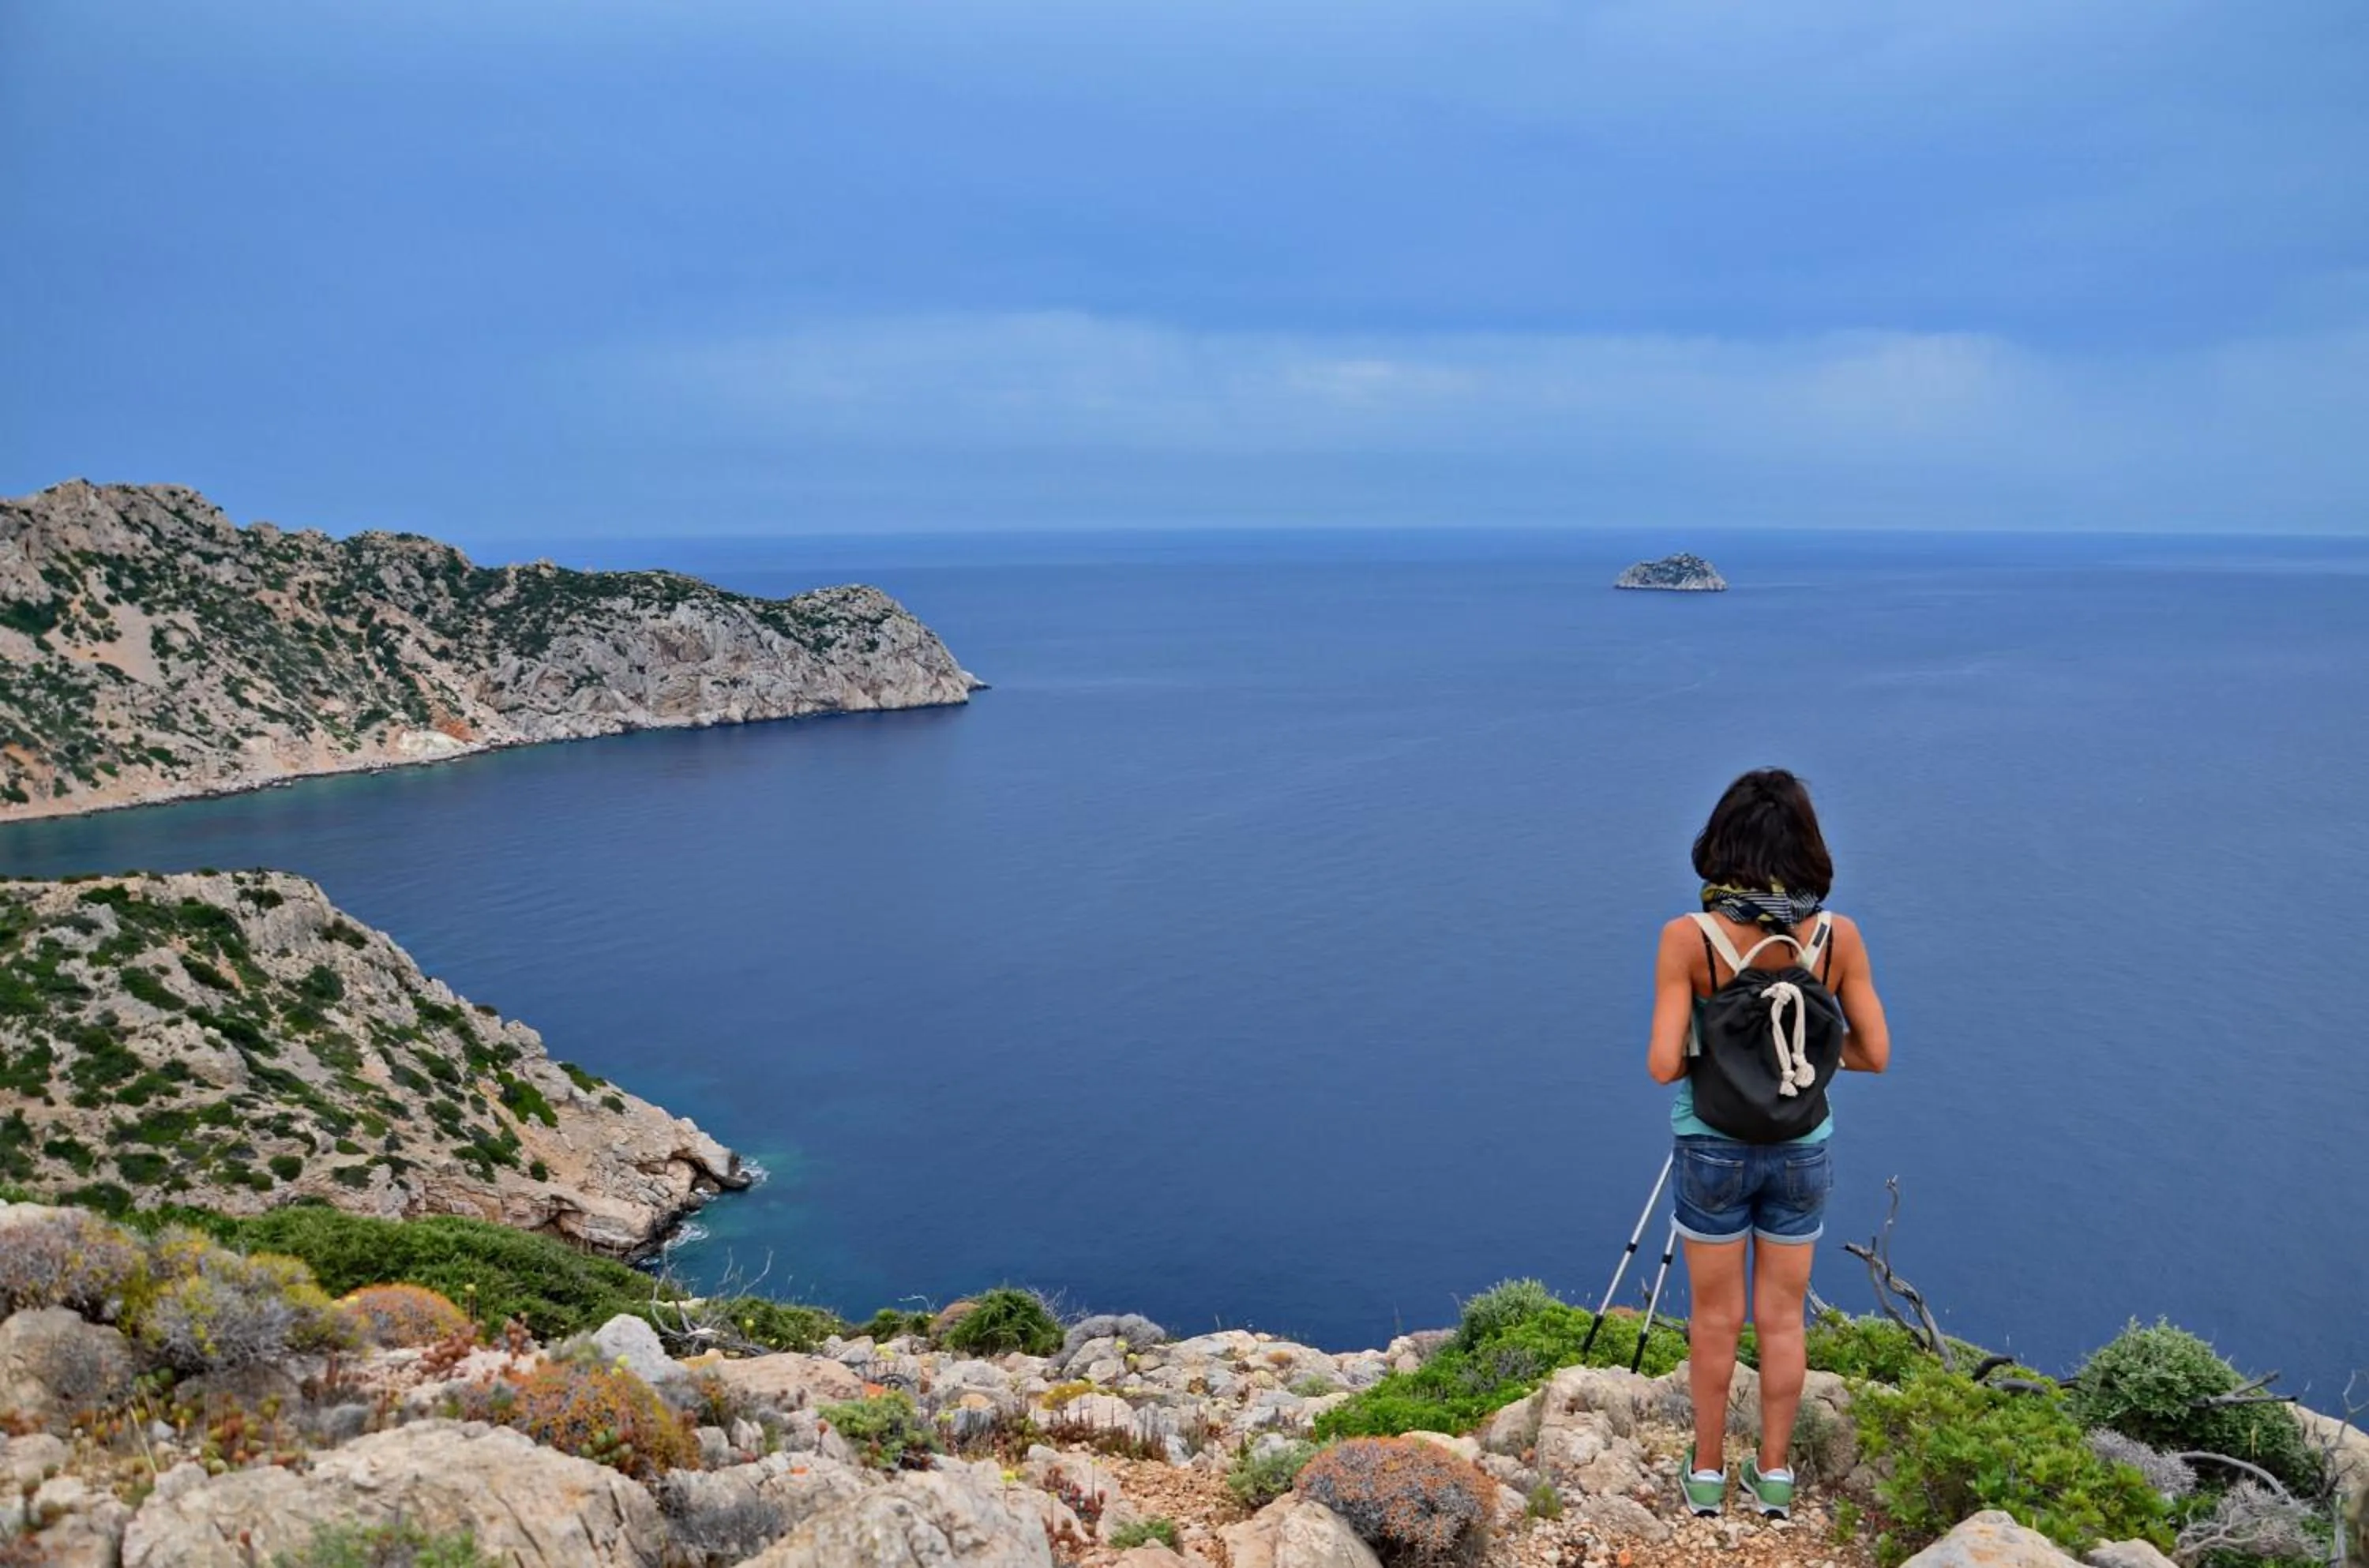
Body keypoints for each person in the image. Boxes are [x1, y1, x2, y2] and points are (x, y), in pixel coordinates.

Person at [1645, 767, 1890, 1519]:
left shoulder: (1691, 940)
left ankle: (1709, 1474)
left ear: (1720, 842)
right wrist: (1804, 1060)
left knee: (1715, 1319)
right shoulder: (1835, 937)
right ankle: (1776, 1476)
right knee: (1783, 1319)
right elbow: (1873, 1053)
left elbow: (1662, 1066)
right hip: (1801, 1150)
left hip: (1712, 1147)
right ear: (1810, 846)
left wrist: (1721, 1054)